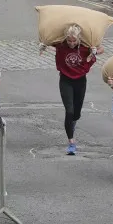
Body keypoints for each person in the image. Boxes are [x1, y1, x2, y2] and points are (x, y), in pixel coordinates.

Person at [43, 25, 102, 154]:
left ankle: (73, 122)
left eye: (74, 41)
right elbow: (48, 40)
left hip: (80, 81)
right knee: (69, 111)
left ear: (78, 39)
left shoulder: (84, 47)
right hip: (65, 80)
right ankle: (71, 141)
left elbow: (100, 48)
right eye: (69, 41)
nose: (71, 43)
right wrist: (43, 45)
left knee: (76, 113)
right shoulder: (61, 45)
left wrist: (94, 51)